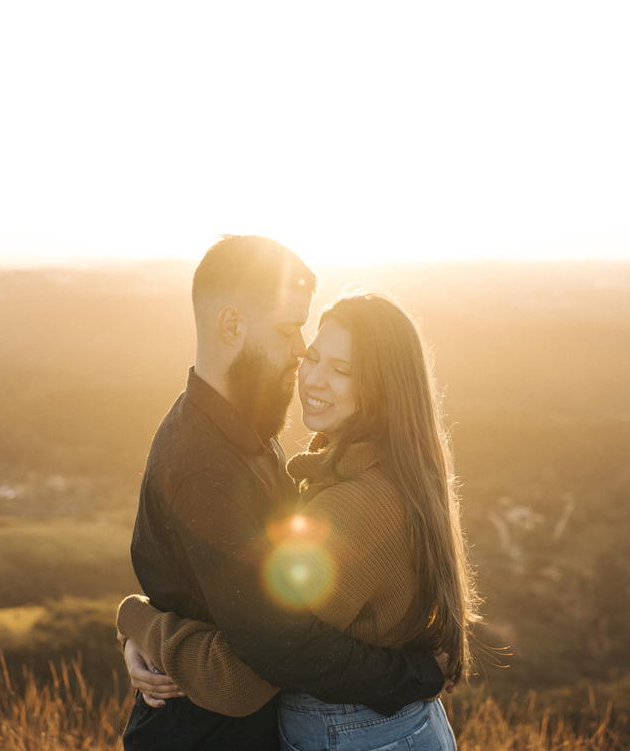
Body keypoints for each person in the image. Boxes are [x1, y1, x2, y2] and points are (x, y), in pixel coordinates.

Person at [120, 237, 449, 750]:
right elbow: (279, 648)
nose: (301, 353)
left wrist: (137, 622)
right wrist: (133, 622)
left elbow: (273, 634)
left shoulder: (251, 433)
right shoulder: (203, 463)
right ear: (232, 326)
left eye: (340, 368)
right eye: (290, 331)